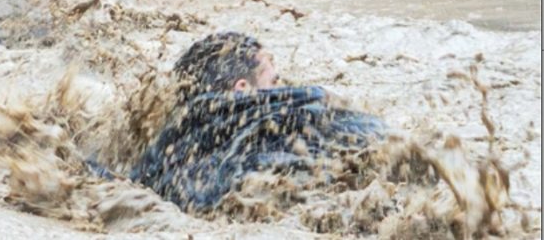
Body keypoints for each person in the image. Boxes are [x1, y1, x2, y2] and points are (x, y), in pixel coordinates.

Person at [129, 32, 385, 211]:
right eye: (273, 82)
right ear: (242, 89)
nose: (280, 88)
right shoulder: (286, 120)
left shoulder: (162, 157)